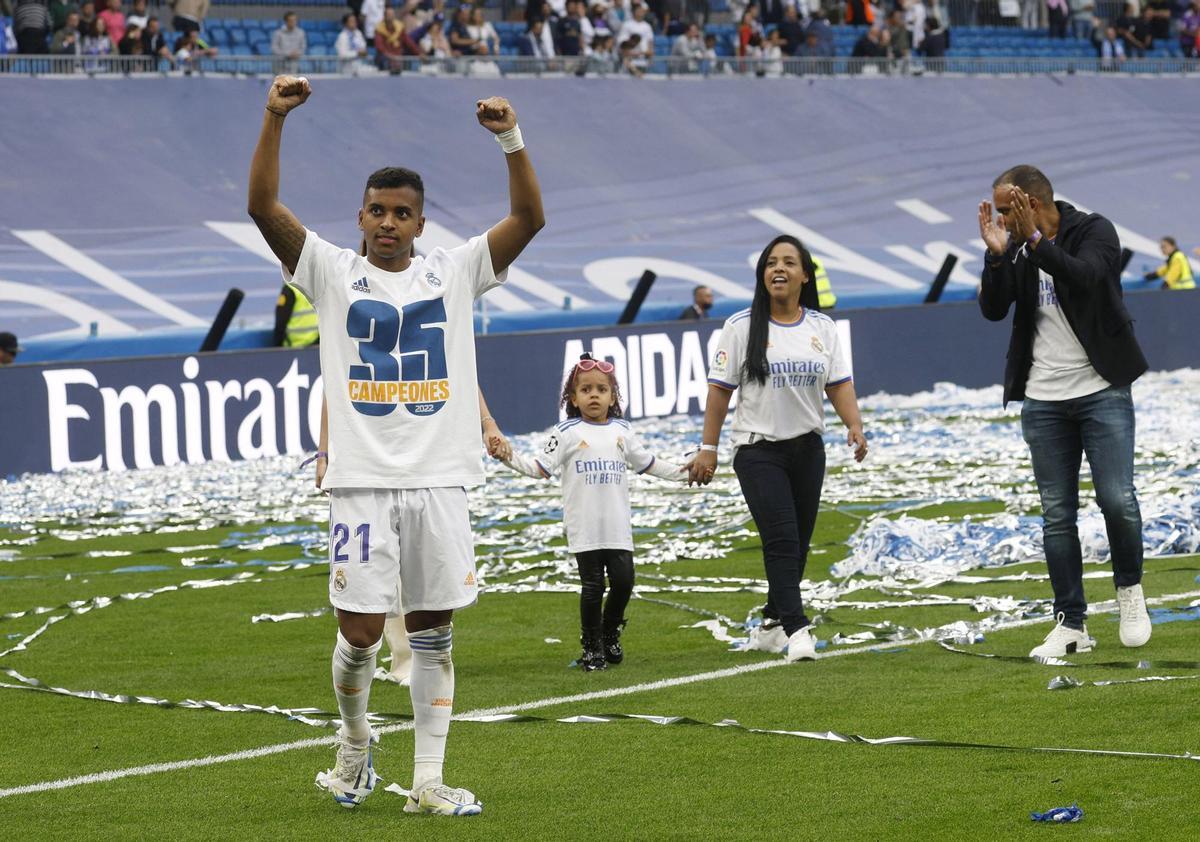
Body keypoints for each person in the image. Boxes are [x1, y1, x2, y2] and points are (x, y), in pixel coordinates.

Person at [247, 76, 544, 814]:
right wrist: (274, 117)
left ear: (419, 223)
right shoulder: (329, 271)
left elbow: (529, 217)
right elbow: (261, 207)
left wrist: (511, 138)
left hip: (443, 478)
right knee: (359, 634)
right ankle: (353, 750)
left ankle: (429, 782)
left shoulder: (455, 271)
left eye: (402, 213)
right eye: (378, 211)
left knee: (434, 631)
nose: (389, 223)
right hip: (360, 482)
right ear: (361, 216)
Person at [977, 164, 1152, 659]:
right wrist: (995, 260)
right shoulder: (1014, 246)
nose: (1001, 219)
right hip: (1043, 396)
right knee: (1057, 515)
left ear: (1033, 203)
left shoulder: (1093, 230)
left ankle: (1129, 592)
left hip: (1101, 388)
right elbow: (993, 309)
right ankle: (1071, 622)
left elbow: (1087, 276)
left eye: (1006, 209)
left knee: (1117, 499)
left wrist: (1034, 242)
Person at [688, 235, 867, 662]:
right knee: (782, 539)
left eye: (789, 262)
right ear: (762, 274)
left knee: (799, 543)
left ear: (806, 275)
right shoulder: (741, 327)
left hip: (808, 449)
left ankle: (770, 624)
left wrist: (855, 426)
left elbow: (839, 385)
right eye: (771, 263)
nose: (779, 269)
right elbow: (718, 393)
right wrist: (707, 449)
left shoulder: (822, 328)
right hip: (757, 451)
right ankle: (796, 628)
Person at [499, 353, 687, 671]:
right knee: (592, 587)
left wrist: (689, 472)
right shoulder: (566, 433)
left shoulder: (623, 431)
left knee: (624, 582)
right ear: (572, 398)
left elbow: (652, 464)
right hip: (584, 526)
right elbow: (537, 468)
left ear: (613, 396)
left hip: (617, 526)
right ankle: (591, 647)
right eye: (585, 390)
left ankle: (610, 631)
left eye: (601, 389)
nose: (594, 395)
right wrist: (506, 455)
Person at [273, 282, 319, 347]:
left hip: (293, 347)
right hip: (315, 345)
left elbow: (280, 323)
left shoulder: (290, 289)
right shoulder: (315, 287)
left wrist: (277, 349)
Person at [271, 11, 307, 75]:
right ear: (286, 21)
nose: (293, 22)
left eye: (295, 20)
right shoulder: (278, 33)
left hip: (294, 66)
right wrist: (287, 54)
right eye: (291, 20)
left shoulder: (301, 33)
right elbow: (274, 48)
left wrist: (298, 53)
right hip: (280, 67)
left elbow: (303, 47)